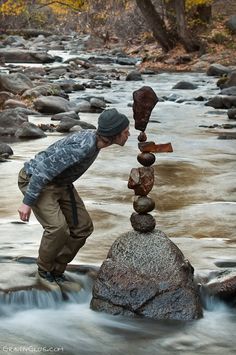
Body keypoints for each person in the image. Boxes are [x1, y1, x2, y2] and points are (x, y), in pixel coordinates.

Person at [18, 108, 130, 289]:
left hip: (61, 182)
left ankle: (57, 270)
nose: (128, 135)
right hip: (34, 179)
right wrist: (27, 203)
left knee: (83, 228)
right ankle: (44, 273)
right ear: (113, 134)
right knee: (57, 229)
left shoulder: (98, 141)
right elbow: (42, 171)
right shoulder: (83, 147)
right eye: (125, 132)